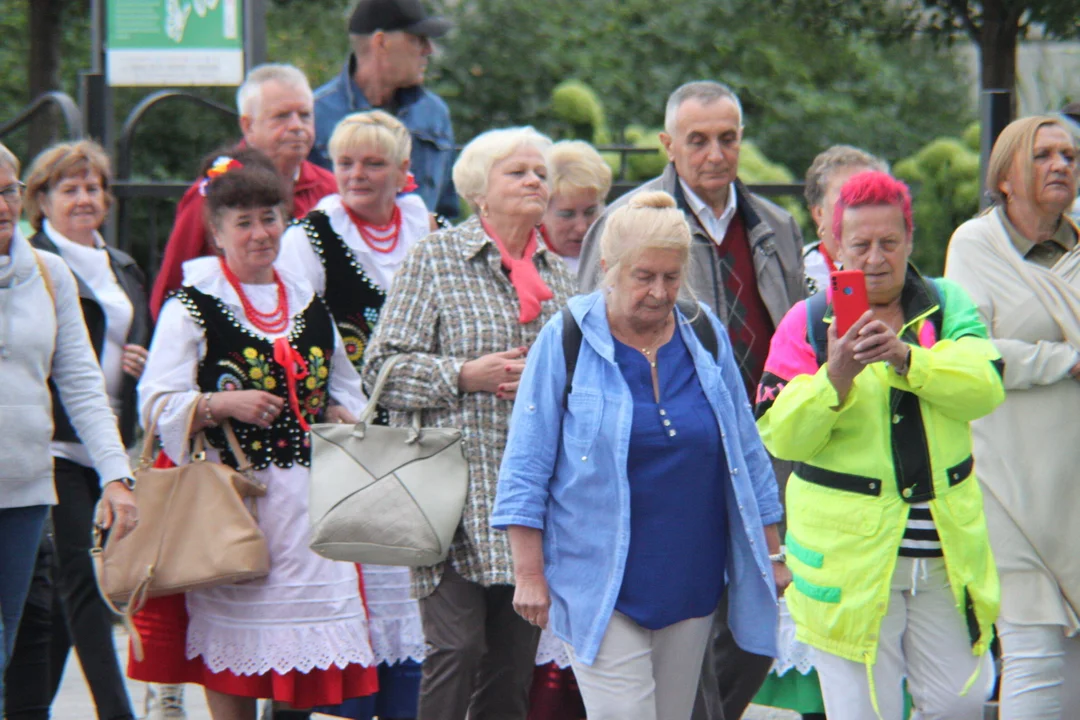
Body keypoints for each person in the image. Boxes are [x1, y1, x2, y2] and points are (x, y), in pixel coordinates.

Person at [492, 190, 783, 720]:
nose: (659, 292)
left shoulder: (703, 334)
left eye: (671, 277)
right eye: (644, 276)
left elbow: (744, 451)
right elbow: (526, 464)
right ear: (608, 268)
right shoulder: (567, 339)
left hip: (690, 574)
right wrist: (529, 573)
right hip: (598, 576)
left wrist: (773, 551)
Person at [577, 79, 804, 720]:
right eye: (698, 140)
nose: (714, 154)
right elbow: (587, 335)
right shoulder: (627, 223)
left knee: (757, 625)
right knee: (691, 621)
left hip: (760, 446)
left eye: (727, 138)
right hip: (664, 459)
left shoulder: (775, 225)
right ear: (667, 145)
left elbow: (788, 329)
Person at [135, 154, 376, 720]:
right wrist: (221, 402)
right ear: (217, 233)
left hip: (313, 506)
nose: (260, 233)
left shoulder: (309, 302)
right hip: (235, 505)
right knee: (235, 663)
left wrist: (343, 415)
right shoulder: (192, 306)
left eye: (270, 218)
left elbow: (345, 389)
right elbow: (155, 402)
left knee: (307, 664)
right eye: (242, 222)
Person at [755, 170, 1003, 720]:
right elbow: (778, 433)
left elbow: (985, 386)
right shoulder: (808, 320)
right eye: (860, 245)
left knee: (960, 703)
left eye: (889, 243)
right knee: (864, 711)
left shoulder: (946, 304)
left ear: (910, 241)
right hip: (848, 566)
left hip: (943, 554)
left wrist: (907, 358)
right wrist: (835, 375)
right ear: (834, 248)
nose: (875, 258)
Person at [361, 126, 575, 720]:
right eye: (518, 172)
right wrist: (463, 374)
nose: (534, 181)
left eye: (540, 173)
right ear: (480, 192)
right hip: (447, 494)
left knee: (510, 670)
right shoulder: (435, 258)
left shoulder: (559, 277)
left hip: (529, 500)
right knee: (457, 647)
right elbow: (378, 369)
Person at [277, 109, 432, 720]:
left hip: (421, 435)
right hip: (346, 438)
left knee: (413, 606)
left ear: (403, 171)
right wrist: (335, 411)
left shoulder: (427, 228)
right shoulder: (308, 239)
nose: (357, 174)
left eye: (373, 163)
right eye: (344, 162)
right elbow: (290, 339)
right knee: (354, 606)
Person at [3, 140, 150, 720]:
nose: (1, 204)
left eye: (6, 190)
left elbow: (83, 382)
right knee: (63, 603)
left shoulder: (49, 273)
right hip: (52, 460)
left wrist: (118, 474)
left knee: (22, 631)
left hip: (26, 488)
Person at [945, 116, 1080, 719]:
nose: (1061, 165)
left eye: (1070, 155)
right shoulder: (974, 246)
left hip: (1073, 486)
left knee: (1073, 651)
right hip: (1004, 481)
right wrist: (1066, 361)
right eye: (1044, 154)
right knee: (1031, 649)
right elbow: (973, 352)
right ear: (1004, 175)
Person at [149, 63, 337, 318]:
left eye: (305, 115)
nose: (296, 126)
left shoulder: (330, 189)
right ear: (248, 126)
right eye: (281, 116)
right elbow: (173, 284)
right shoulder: (213, 192)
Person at [311, 0, 457, 219]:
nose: (428, 50)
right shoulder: (312, 115)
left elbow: (446, 213)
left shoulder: (434, 114)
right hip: (340, 251)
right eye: (416, 39)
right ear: (381, 42)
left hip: (422, 251)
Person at [801, 145, 888, 294]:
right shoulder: (795, 274)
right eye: (848, 194)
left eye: (872, 193)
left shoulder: (895, 270)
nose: (863, 204)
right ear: (819, 213)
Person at [539, 140, 612, 277]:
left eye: (590, 212)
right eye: (567, 214)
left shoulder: (617, 249)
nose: (581, 227)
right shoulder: (525, 259)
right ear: (541, 212)